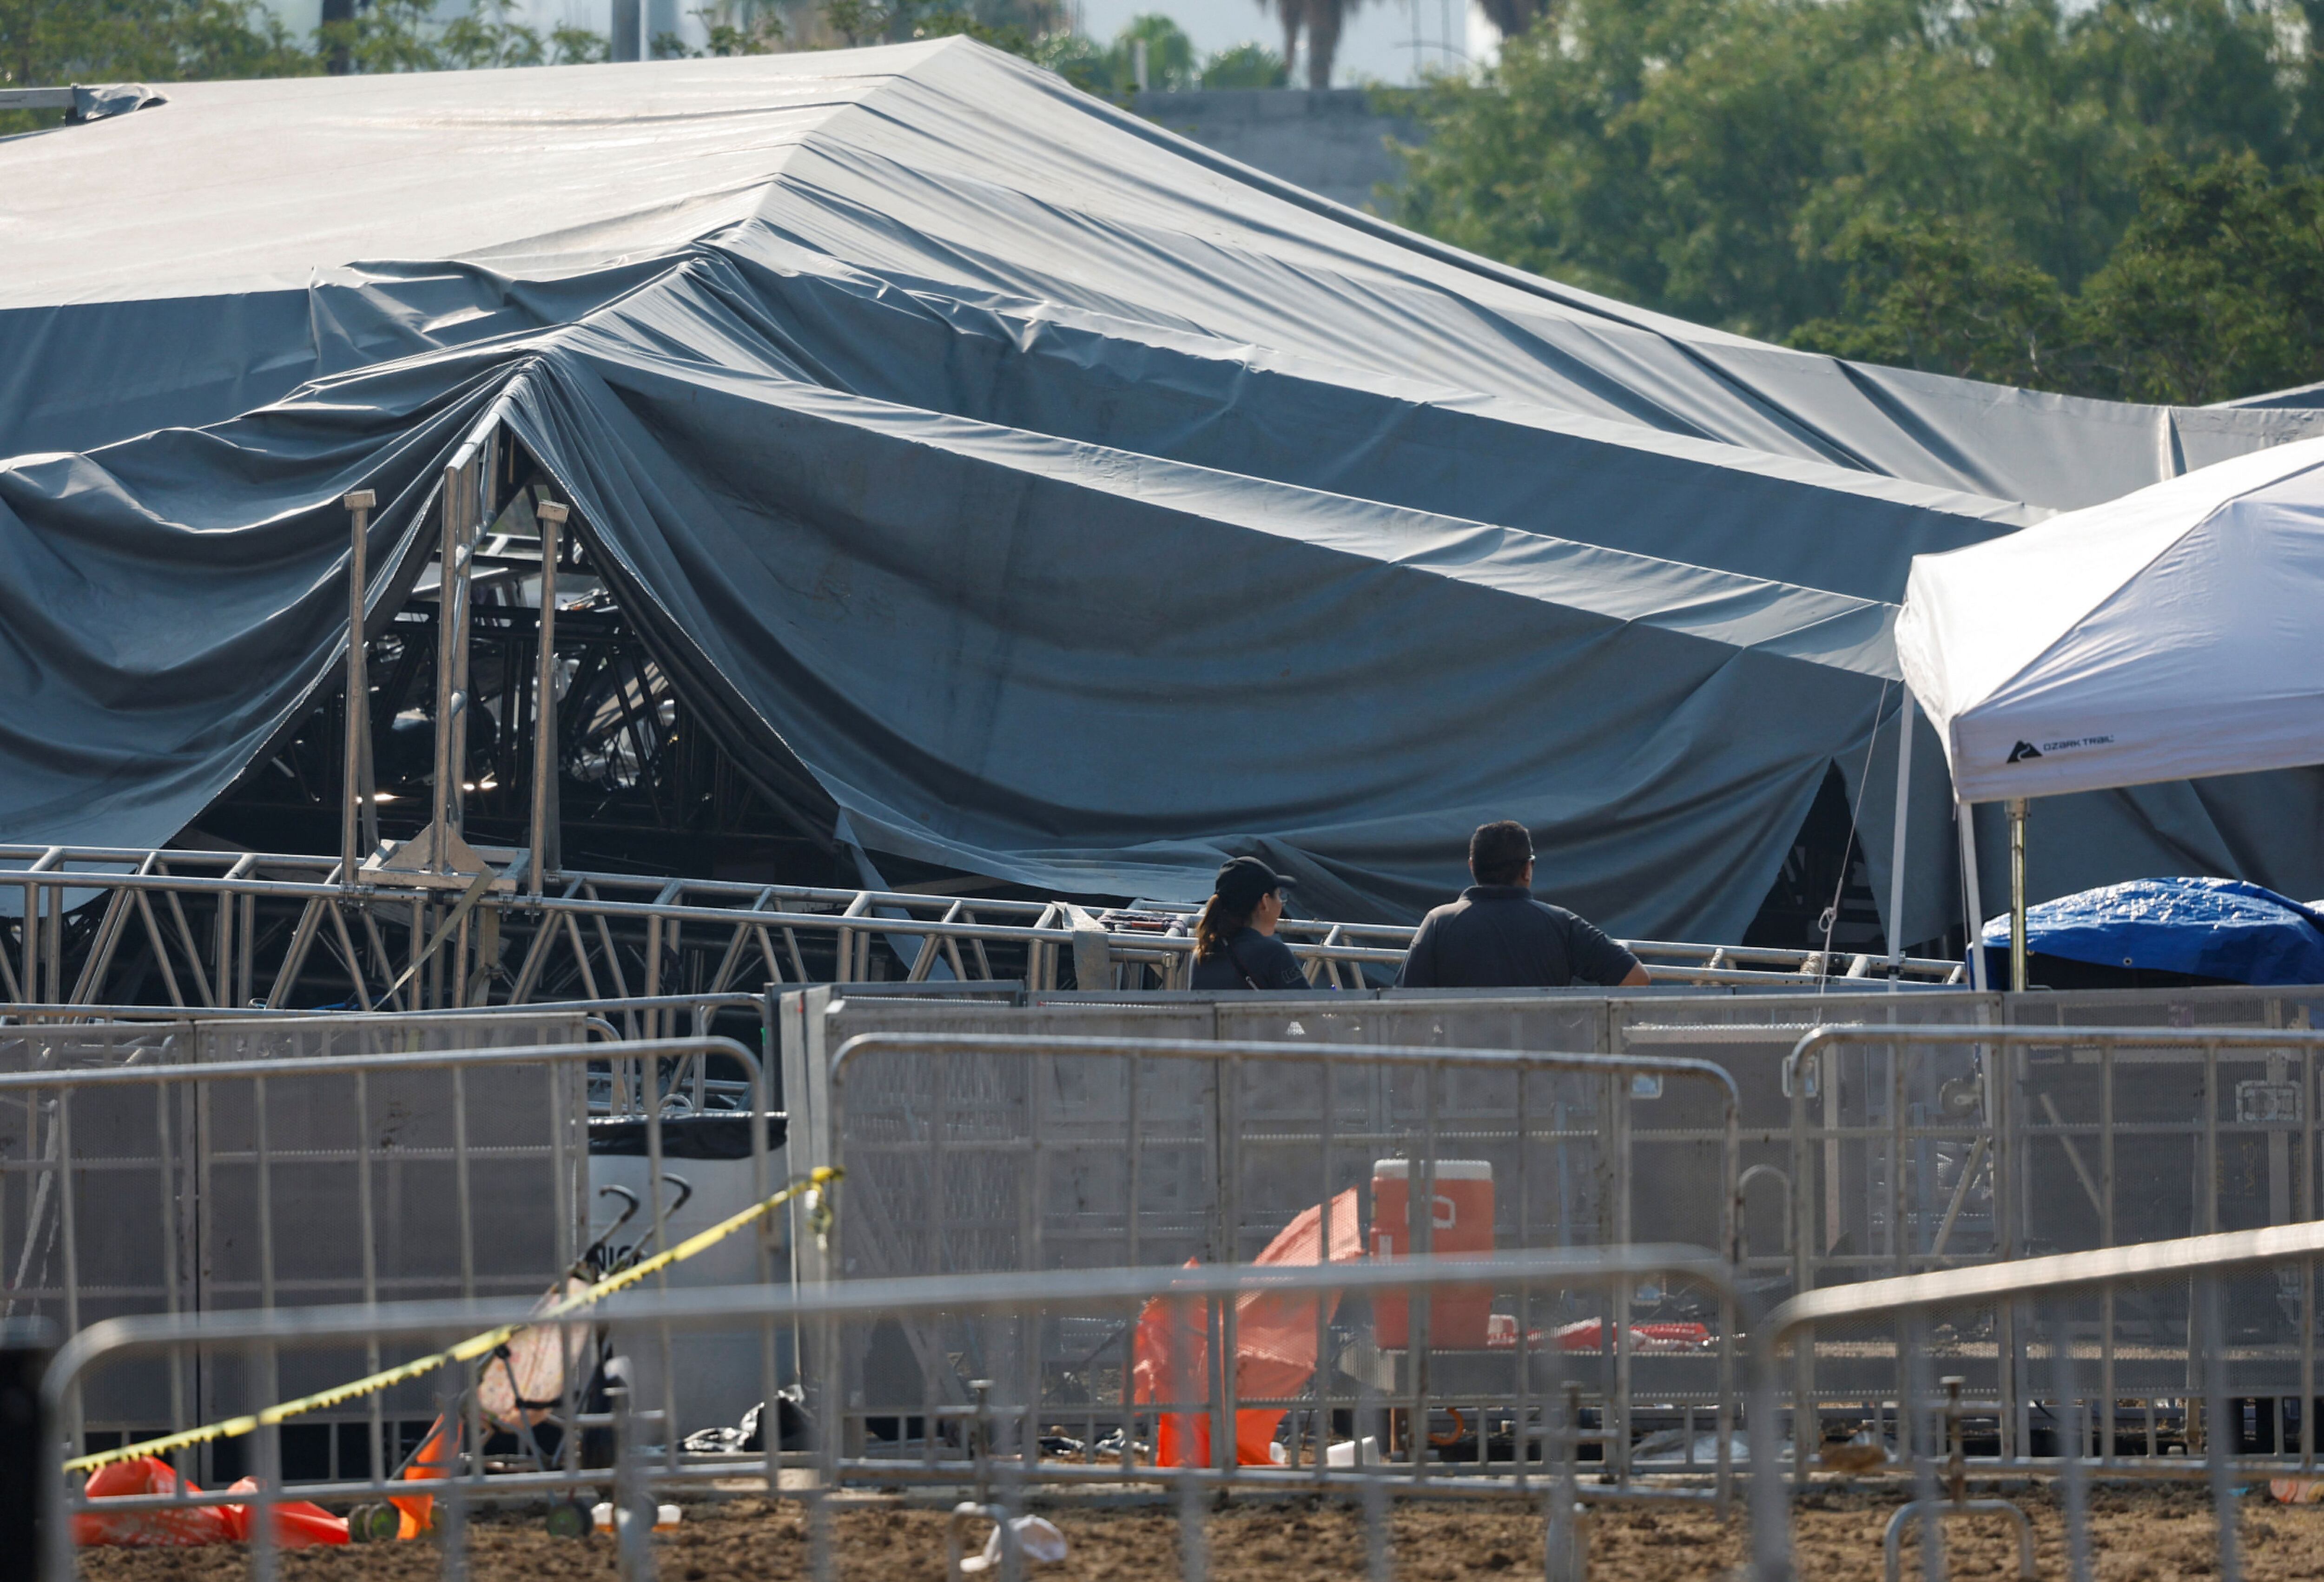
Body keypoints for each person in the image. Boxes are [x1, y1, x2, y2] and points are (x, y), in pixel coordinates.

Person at [1395, 821, 1650, 989]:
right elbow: (1637, 978)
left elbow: (1403, 1006)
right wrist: (1576, 1027)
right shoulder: (1563, 924)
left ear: (1472, 866)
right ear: (1527, 870)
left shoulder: (1439, 923)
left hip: (1464, 1068)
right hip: (1545, 1066)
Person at [1188, 856, 1314, 991]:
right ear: (1265, 901)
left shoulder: (1202, 953)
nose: (1281, 903)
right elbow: (1309, 1009)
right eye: (1279, 896)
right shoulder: (1274, 953)